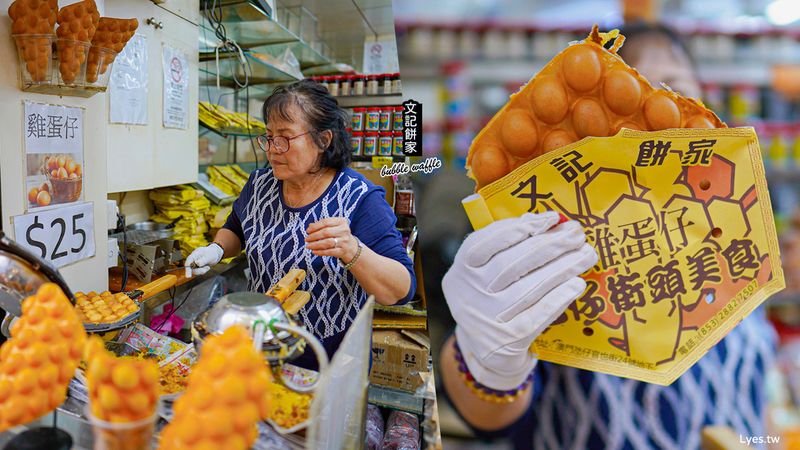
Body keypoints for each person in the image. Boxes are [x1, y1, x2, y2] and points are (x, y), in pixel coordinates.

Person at [439, 23, 777, 450]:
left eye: (677, 92)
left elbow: (757, 394)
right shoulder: (559, 240)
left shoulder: (735, 231)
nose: (660, 114)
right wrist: (486, 362)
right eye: (637, 95)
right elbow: (488, 415)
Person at [186, 80, 416, 370]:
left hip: (330, 358)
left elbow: (400, 290)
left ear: (323, 140)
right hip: (264, 348)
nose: (272, 149)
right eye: (268, 136)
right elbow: (237, 227)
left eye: (284, 137)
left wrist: (352, 250)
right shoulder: (260, 185)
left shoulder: (359, 197)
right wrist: (217, 249)